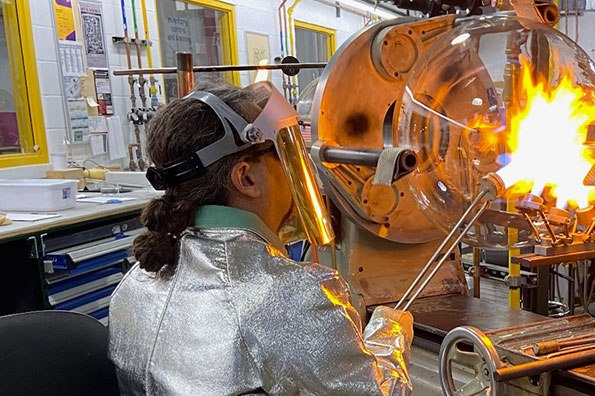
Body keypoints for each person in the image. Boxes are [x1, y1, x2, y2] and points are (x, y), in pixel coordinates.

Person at [108, 82, 414, 395]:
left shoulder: (135, 281)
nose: (295, 169)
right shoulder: (290, 295)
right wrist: (390, 329)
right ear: (246, 178)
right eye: (281, 155)